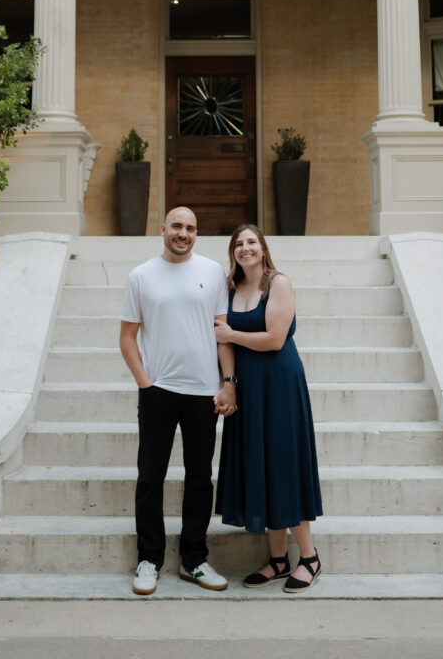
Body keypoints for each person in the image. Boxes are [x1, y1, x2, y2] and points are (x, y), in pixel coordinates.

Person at [119, 205, 237, 596]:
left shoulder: (213, 272)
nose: (183, 233)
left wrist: (227, 383)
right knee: (151, 477)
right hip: (159, 392)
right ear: (163, 229)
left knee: (200, 478)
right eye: (177, 226)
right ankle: (149, 560)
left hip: (204, 393)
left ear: (196, 234)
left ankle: (193, 560)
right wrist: (144, 382)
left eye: (190, 228)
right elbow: (127, 336)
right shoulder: (141, 275)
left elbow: (222, 333)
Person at [214, 223, 323, 593]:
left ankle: (309, 557)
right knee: (260, 465)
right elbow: (220, 341)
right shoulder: (229, 287)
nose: (246, 248)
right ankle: (278, 560)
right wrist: (227, 382)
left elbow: (275, 339)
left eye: (252, 242)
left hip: (279, 384)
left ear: (263, 248)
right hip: (247, 387)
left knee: (283, 464)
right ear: (233, 252)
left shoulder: (277, 283)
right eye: (239, 244)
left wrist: (231, 334)